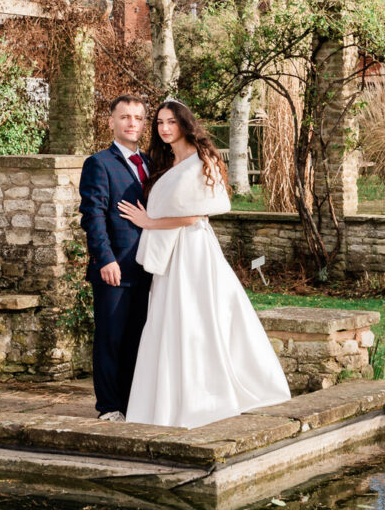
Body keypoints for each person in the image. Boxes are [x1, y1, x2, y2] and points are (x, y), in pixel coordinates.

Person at [119, 99, 292, 429]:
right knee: (169, 318)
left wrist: (149, 222)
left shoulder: (203, 160)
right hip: (170, 254)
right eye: (159, 123)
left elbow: (203, 212)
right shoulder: (165, 162)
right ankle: (167, 402)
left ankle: (207, 398)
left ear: (185, 123)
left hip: (193, 250)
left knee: (198, 316)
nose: (165, 128)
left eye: (171, 121)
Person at [79, 95, 152, 422]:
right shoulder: (99, 163)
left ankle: (131, 403)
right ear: (111, 121)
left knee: (138, 339)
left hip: (148, 268)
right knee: (110, 339)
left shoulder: (150, 164)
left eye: (137, 117)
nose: (131, 122)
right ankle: (109, 407)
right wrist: (104, 259)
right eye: (124, 117)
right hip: (114, 269)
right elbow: (92, 216)